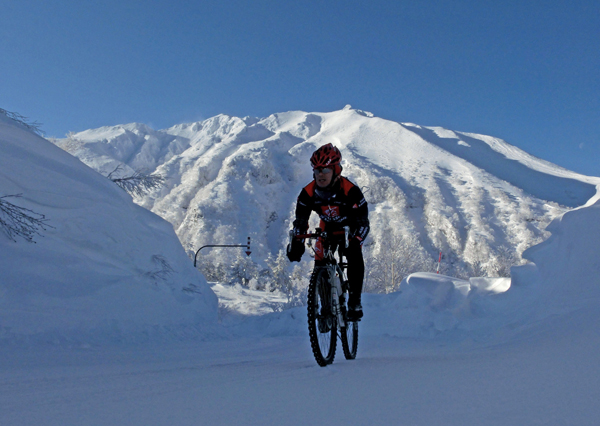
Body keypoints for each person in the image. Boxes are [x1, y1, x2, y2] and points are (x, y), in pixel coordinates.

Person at [287, 143, 370, 320]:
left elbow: (363, 222)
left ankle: (355, 302)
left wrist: (356, 240)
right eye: (317, 171)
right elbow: (300, 222)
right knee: (319, 258)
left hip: (350, 227)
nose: (321, 175)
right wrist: (297, 243)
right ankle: (326, 309)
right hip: (328, 227)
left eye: (325, 170)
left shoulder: (351, 191)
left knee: (354, 254)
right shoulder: (307, 193)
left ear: (336, 170)